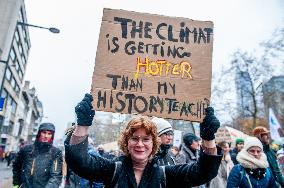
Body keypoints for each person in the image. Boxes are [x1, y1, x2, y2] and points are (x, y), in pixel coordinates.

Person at [65, 94, 222, 187]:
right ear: (126, 142)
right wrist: (82, 125)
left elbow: (203, 172)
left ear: (154, 143)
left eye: (146, 139)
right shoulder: (113, 169)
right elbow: (80, 162)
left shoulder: (165, 173)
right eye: (134, 138)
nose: (140, 144)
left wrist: (208, 139)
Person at [12, 123, 63, 188]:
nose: (46, 136)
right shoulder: (26, 149)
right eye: (44, 132)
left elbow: (56, 176)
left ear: (52, 136)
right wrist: (16, 183)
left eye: (49, 134)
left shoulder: (56, 153)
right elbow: (16, 166)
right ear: (39, 133)